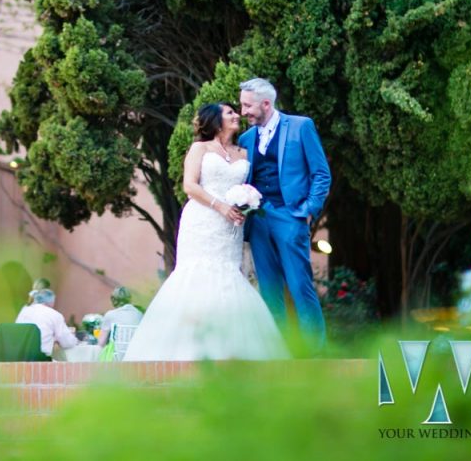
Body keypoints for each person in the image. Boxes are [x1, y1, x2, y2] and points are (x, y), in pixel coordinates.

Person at [123, 102, 288, 361]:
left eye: (236, 112)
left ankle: (230, 351)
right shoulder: (200, 148)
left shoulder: (244, 153)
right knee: (197, 273)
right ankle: (188, 350)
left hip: (231, 226)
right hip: (203, 220)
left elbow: (250, 185)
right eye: (230, 113)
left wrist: (244, 205)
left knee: (229, 276)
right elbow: (189, 186)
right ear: (215, 120)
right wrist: (220, 206)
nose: (237, 116)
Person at [238, 78, 331, 354]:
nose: (243, 111)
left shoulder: (301, 126)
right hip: (258, 220)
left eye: (247, 105)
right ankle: (278, 351)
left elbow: (321, 174)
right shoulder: (246, 138)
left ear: (266, 104)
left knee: (300, 284)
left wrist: (307, 211)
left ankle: (314, 352)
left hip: (291, 216)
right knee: (268, 289)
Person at [15, 288, 79, 358]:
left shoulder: (24, 311)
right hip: (41, 358)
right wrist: (75, 340)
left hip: (19, 356)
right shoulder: (54, 314)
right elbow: (68, 341)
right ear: (52, 302)